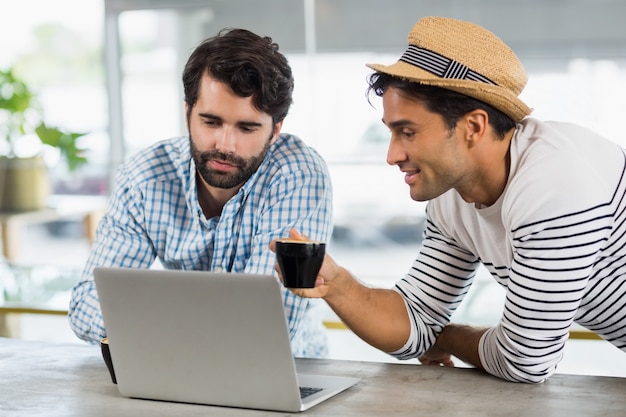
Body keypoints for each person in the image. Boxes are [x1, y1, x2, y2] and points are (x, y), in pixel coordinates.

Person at [273, 16, 626, 382]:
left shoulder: (555, 184)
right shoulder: (452, 199)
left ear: (473, 127)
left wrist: (448, 336)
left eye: (407, 132)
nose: (391, 155)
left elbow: (526, 361)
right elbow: (417, 320)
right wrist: (338, 285)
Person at [69, 28, 333, 358]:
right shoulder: (145, 177)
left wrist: (147, 322)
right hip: (179, 370)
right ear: (187, 114)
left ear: (275, 131)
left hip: (291, 372)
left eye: (247, 128)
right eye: (211, 122)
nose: (225, 145)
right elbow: (87, 305)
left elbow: (266, 321)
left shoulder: (297, 174)